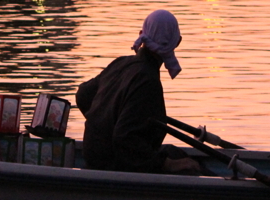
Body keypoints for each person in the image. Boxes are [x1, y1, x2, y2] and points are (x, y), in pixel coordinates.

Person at [75, 10, 200, 174]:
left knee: (174, 152)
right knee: (189, 166)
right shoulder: (147, 80)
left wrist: (104, 121)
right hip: (113, 165)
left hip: (95, 158)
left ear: (142, 35)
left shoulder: (121, 63)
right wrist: (166, 165)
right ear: (177, 42)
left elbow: (83, 95)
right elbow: (124, 138)